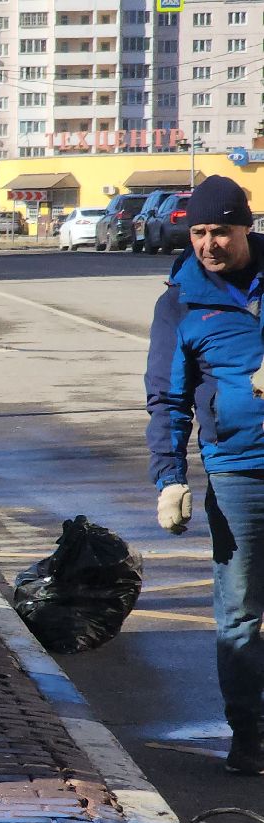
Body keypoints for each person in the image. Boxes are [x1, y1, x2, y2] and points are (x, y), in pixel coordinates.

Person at [145, 174, 264, 774]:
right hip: (238, 473)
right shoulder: (181, 303)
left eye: (221, 230)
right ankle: (249, 738)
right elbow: (168, 397)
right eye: (198, 232)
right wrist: (169, 476)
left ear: (246, 226)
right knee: (239, 613)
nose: (209, 244)